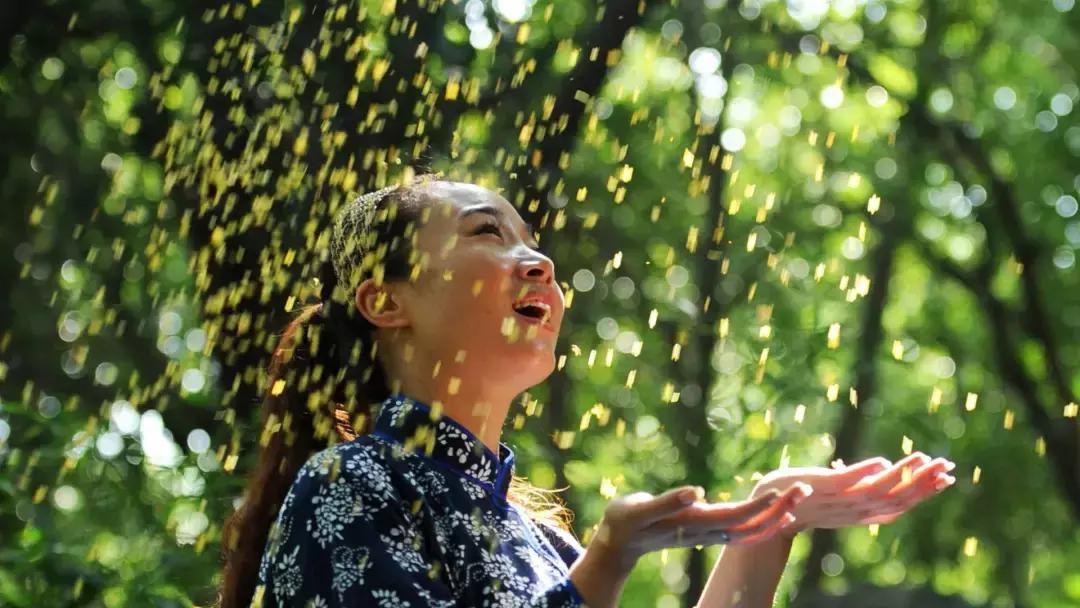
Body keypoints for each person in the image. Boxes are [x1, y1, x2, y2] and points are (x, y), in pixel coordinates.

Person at [216, 174, 956, 608]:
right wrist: (607, 558)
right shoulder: (351, 483)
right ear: (385, 302)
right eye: (486, 233)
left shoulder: (541, 539)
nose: (537, 259)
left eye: (530, 239)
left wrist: (767, 523)